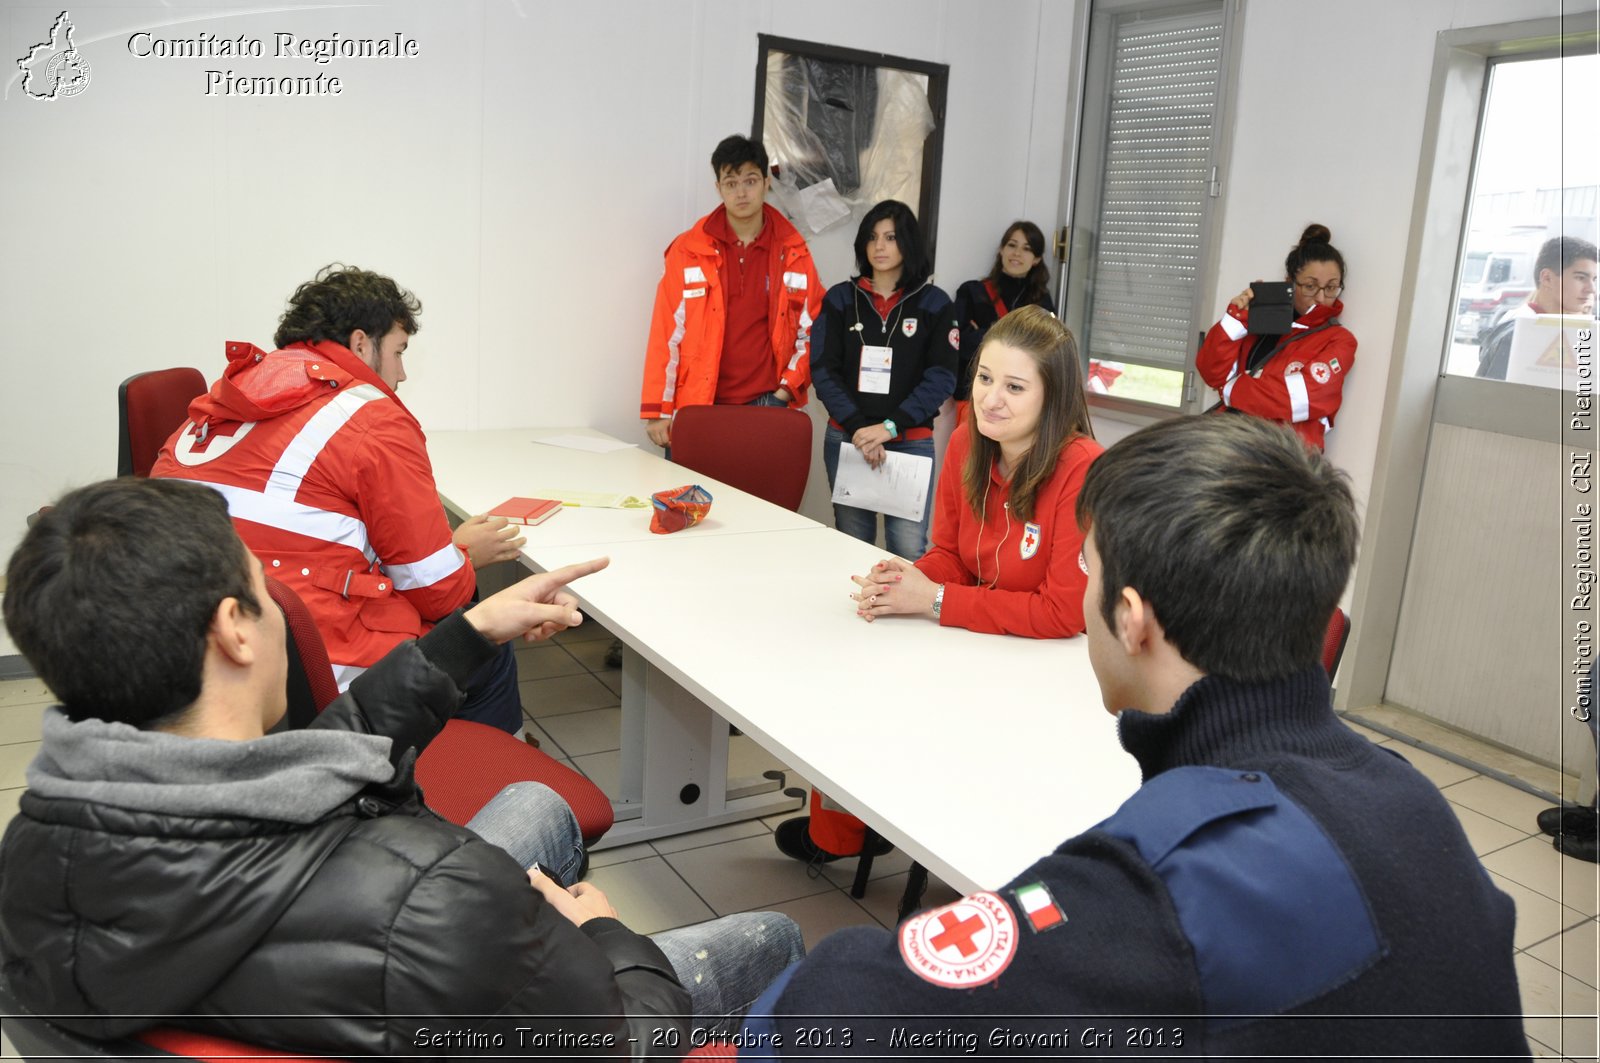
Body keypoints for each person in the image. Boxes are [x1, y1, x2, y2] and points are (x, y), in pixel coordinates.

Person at [744, 415, 1529, 1059]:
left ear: (1131, 617)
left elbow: (823, 1017)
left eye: (1086, 572)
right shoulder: (1414, 800)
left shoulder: (1159, 879)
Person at [0, 477, 804, 1056]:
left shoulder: (35, 848)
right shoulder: (438, 895)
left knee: (537, 803)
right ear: (234, 632)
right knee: (776, 936)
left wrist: (468, 633)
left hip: (310, 950)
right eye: (264, 587)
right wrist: (601, 929)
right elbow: (626, 1035)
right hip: (417, 946)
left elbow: (316, 765)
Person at [776, 306, 1103, 865]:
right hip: (982, 640)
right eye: (983, 379)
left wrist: (933, 598)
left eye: (1015, 387)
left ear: (1055, 397)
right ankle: (848, 830)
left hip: (1051, 671)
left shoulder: (1082, 469)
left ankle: (954, 849)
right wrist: (912, 577)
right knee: (861, 680)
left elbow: (1061, 613)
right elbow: (952, 552)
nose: (990, 399)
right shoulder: (968, 443)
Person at [150, 264, 528, 734]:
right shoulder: (370, 418)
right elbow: (438, 593)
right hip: (315, 670)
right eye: (398, 352)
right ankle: (486, 784)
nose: (402, 373)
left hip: (190, 653)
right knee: (482, 634)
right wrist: (466, 552)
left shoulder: (221, 402)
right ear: (359, 344)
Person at [638, 133, 822, 451]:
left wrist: (785, 392)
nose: (741, 192)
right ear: (718, 188)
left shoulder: (793, 251)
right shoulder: (689, 249)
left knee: (759, 500)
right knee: (692, 500)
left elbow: (814, 330)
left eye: (750, 181)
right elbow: (666, 333)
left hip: (767, 406)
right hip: (698, 406)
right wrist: (658, 409)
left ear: (767, 182)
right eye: (731, 182)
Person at [812, 199, 959, 558]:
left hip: (910, 442)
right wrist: (862, 429)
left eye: (891, 237)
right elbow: (823, 370)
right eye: (873, 237)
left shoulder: (935, 304)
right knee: (851, 543)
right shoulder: (840, 299)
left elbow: (941, 378)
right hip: (849, 439)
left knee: (908, 551)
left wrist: (889, 428)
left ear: (907, 243)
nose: (880, 246)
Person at [1196, 223, 1357, 450]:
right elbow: (1212, 372)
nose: (1321, 297)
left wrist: (1232, 388)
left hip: (1287, 461)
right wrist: (1235, 320)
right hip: (1231, 445)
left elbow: (1301, 399)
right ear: (1289, 282)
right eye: (1310, 286)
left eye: (1331, 287)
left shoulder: (1340, 340)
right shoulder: (1260, 322)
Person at [950, 221, 1056, 411]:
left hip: (1021, 401)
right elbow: (960, 346)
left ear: (1037, 259)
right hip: (973, 397)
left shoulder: (1042, 301)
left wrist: (984, 332)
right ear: (1001, 249)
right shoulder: (972, 291)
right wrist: (1019, 337)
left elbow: (1043, 351)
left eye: (1027, 248)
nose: (1017, 253)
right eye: (1012, 245)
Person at [1476, 235, 1598, 380]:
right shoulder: (1515, 334)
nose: (1592, 289)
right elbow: (1491, 397)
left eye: (1594, 279)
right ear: (1547, 278)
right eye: (1581, 277)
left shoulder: (1550, 327)